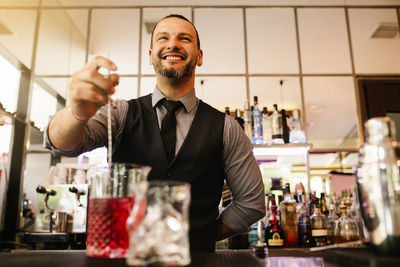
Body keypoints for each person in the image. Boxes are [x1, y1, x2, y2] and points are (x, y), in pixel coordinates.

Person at [45, 14, 265, 252]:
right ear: (151, 56)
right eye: (163, 38)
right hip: (125, 260)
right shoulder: (120, 113)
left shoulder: (226, 127)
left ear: (199, 56)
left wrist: (200, 236)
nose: (173, 44)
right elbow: (62, 144)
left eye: (185, 39)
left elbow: (251, 203)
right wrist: (76, 113)